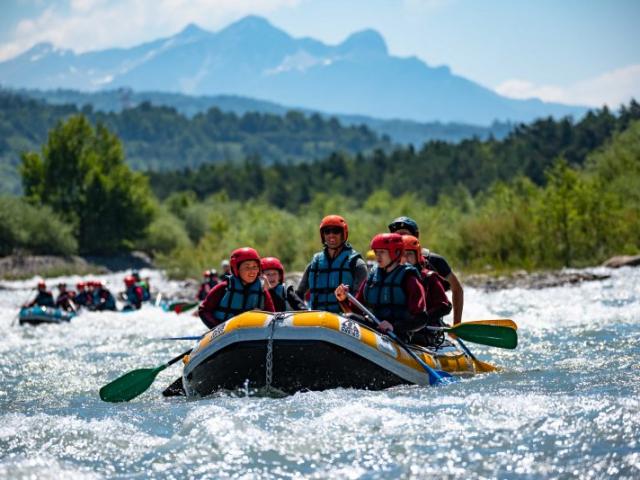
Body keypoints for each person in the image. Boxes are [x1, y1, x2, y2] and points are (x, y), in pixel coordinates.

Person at [334, 233, 427, 341]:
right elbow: (354, 311)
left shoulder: (409, 279)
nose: (377, 256)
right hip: (375, 329)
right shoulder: (373, 277)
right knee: (348, 319)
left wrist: (394, 326)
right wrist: (343, 300)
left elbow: (421, 319)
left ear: (396, 252)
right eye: (376, 252)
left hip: (398, 334)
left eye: (382, 252)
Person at [388, 216, 465, 325]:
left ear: (416, 236)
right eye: (397, 235)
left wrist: (456, 324)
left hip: (426, 323)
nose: (401, 238)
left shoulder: (435, 261)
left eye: (404, 234)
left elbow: (457, 290)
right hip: (395, 323)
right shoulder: (386, 263)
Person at [296, 215, 368, 313]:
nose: (331, 235)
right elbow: (299, 293)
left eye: (336, 231)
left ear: (343, 234)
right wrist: (302, 310)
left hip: (344, 321)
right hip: (317, 319)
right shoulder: (315, 263)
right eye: (327, 231)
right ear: (323, 235)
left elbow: (361, 299)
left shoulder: (356, 264)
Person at [198, 247, 275, 329]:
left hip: (252, 332)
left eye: (255, 267)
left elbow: (272, 315)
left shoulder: (262, 290)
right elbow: (204, 310)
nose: (252, 271)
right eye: (247, 267)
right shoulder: (223, 287)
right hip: (225, 333)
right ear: (236, 269)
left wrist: (262, 316)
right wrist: (217, 328)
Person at [401, 235, 452, 346]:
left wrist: (419, 321)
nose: (406, 259)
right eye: (402, 254)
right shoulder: (394, 277)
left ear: (418, 255)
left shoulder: (429, 277)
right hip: (400, 326)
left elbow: (444, 306)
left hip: (425, 330)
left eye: (409, 254)